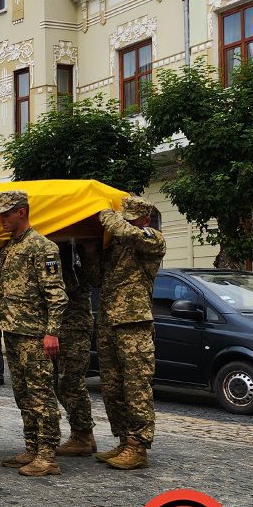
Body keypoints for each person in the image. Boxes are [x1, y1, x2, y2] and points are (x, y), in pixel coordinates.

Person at [0, 190, 67, 477]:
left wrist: (52, 332)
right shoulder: (9, 249)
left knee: (40, 395)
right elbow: (6, 287)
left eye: (5, 214)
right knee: (22, 394)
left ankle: (48, 455)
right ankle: (32, 447)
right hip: (12, 331)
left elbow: (56, 295)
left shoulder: (43, 247)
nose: (1, 220)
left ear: (21, 212)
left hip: (35, 335)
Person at [95, 196, 166, 470]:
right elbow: (96, 278)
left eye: (130, 217)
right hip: (108, 322)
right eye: (122, 216)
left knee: (136, 386)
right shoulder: (115, 245)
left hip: (134, 323)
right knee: (112, 388)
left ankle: (138, 447)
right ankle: (124, 440)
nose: (123, 221)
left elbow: (125, 230)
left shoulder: (152, 238)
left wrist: (105, 213)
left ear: (144, 219)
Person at [54, 243, 100, 457]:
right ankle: (84, 432)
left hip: (74, 325)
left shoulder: (72, 253)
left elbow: (71, 284)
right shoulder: (65, 250)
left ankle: (81, 435)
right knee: (61, 382)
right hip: (62, 325)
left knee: (70, 382)